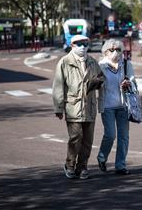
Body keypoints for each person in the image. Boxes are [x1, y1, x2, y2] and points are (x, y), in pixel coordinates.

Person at [52, 34, 104, 180]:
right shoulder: (65, 62)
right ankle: (70, 165)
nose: (83, 46)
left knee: (88, 140)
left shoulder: (93, 62)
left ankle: (82, 167)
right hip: (73, 107)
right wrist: (58, 108)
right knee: (76, 137)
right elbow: (58, 86)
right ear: (72, 45)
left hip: (90, 107)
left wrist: (98, 83)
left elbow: (102, 80)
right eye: (79, 43)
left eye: (85, 43)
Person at [97, 39, 136, 175]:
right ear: (105, 52)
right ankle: (102, 157)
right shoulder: (100, 65)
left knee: (124, 137)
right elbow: (95, 84)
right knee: (110, 135)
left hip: (123, 106)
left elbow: (134, 83)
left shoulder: (126, 64)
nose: (115, 52)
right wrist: (99, 83)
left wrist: (129, 84)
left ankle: (120, 165)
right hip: (107, 106)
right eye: (112, 50)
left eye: (118, 50)